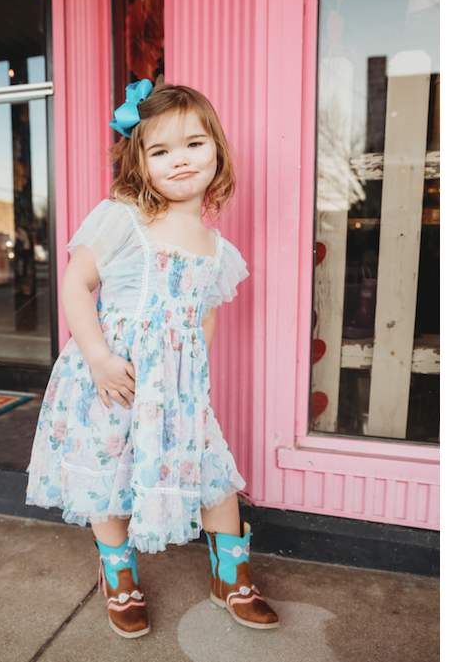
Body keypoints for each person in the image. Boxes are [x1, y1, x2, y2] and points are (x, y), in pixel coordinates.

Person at [26, 80, 279, 638]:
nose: (179, 160)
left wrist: (191, 376)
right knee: (109, 471)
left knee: (214, 474)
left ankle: (231, 577)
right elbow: (75, 285)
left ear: (217, 150)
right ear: (140, 162)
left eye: (194, 144)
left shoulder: (217, 248)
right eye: (160, 151)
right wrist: (98, 357)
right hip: (115, 376)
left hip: (176, 391)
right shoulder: (125, 217)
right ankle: (119, 575)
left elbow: (203, 315)